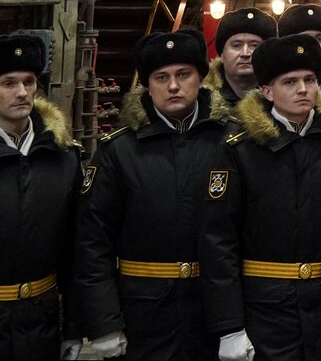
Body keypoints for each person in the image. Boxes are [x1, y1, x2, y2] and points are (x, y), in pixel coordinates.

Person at [75, 30, 229, 360]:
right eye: (161, 77)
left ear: (201, 78)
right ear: (147, 85)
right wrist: (104, 321)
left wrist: (237, 322)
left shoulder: (229, 143)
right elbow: (92, 242)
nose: (173, 86)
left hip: (213, 311)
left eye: (183, 74)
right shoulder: (119, 151)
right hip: (143, 316)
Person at [201, 34, 321, 361]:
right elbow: (219, 240)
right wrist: (230, 326)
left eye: (310, 80)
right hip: (263, 310)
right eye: (290, 82)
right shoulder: (240, 150)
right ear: (267, 91)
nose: (303, 89)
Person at [0, 33, 81, 361]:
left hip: (42, 322)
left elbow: (75, 249)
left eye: (29, 82)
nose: (21, 93)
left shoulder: (62, 158)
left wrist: (75, 326)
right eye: (8, 83)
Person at [206, 8, 277, 104]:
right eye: (236, 45)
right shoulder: (202, 100)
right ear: (222, 55)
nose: (245, 53)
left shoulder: (284, 101)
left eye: (254, 45)